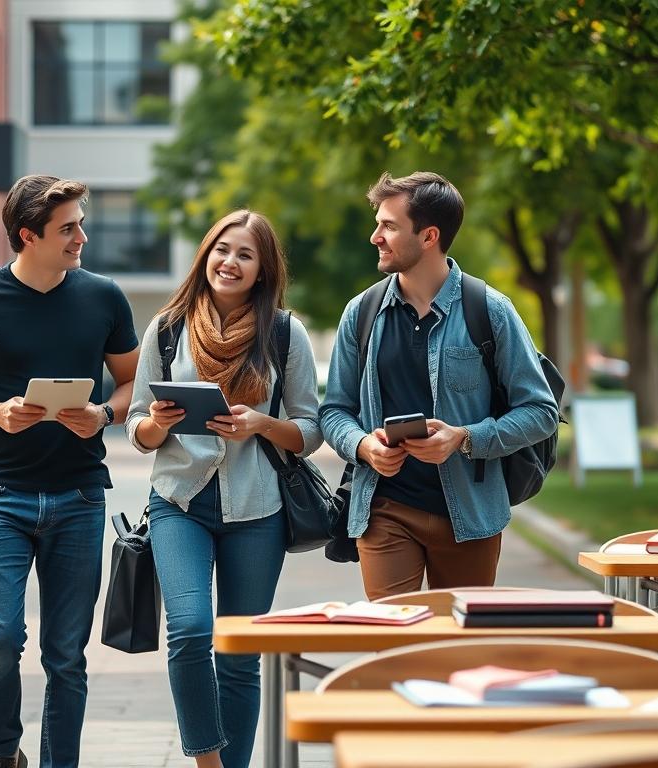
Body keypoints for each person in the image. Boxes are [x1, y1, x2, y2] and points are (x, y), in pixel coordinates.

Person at [0, 175, 139, 768]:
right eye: (68, 228)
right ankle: (1, 751)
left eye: (80, 224)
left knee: (66, 654)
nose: (81, 238)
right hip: (0, 495)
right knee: (0, 642)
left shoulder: (104, 298)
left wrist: (102, 414)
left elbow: (132, 386)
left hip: (79, 496)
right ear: (27, 235)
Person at [127, 209, 321, 768]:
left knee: (238, 655)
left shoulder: (285, 333)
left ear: (263, 270)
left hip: (257, 508)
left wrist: (261, 423)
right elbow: (138, 429)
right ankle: (208, 762)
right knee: (189, 630)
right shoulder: (166, 329)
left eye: (245, 254)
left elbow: (308, 431)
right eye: (221, 249)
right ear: (205, 254)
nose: (229, 262)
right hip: (178, 503)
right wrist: (159, 422)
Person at [319, 171, 560, 600]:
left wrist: (464, 438)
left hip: (470, 513)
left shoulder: (490, 310)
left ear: (429, 235)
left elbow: (541, 411)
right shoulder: (362, 313)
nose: (375, 236)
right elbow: (334, 410)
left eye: (389, 226)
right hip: (384, 509)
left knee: (457, 653)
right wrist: (362, 446)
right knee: (396, 643)